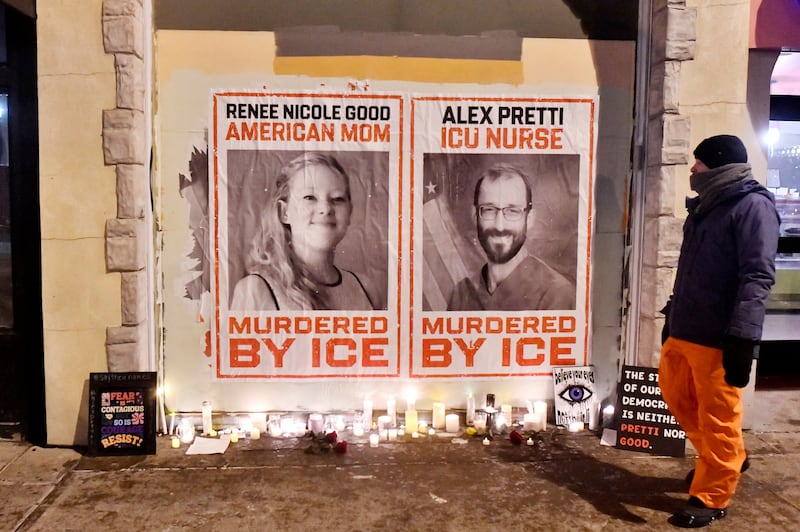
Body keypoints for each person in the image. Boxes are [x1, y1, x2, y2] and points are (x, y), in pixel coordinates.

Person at [659, 135, 780, 528]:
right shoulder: (706, 208)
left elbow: (757, 276)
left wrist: (743, 338)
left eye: (700, 163)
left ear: (720, 166)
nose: (693, 169)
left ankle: (712, 495)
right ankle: (725, 458)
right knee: (676, 397)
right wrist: (672, 315)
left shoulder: (752, 208)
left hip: (718, 336)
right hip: (685, 329)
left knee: (718, 418)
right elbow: (691, 271)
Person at [230, 152, 374, 311]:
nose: (325, 209)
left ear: (349, 212)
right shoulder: (256, 290)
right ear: (284, 212)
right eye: (309, 197)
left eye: (337, 199)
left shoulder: (366, 289)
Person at [446, 163, 575, 311]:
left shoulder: (556, 294)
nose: (499, 226)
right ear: (475, 216)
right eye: (489, 210)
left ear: (529, 219)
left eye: (513, 211)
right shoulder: (461, 295)